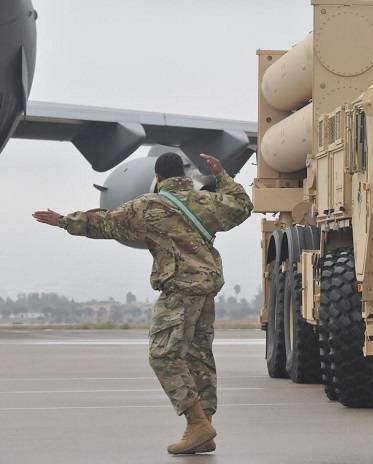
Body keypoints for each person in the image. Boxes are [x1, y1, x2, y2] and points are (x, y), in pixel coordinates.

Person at [32, 152, 253, 455]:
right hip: (206, 290)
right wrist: (223, 175)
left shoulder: (150, 206)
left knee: (163, 356)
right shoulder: (207, 201)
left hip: (178, 291)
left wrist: (63, 221)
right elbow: (242, 206)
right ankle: (203, 429)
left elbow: (106, 223)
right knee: (197, 359)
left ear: (159, 178)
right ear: (185, 176)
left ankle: (197, 423)